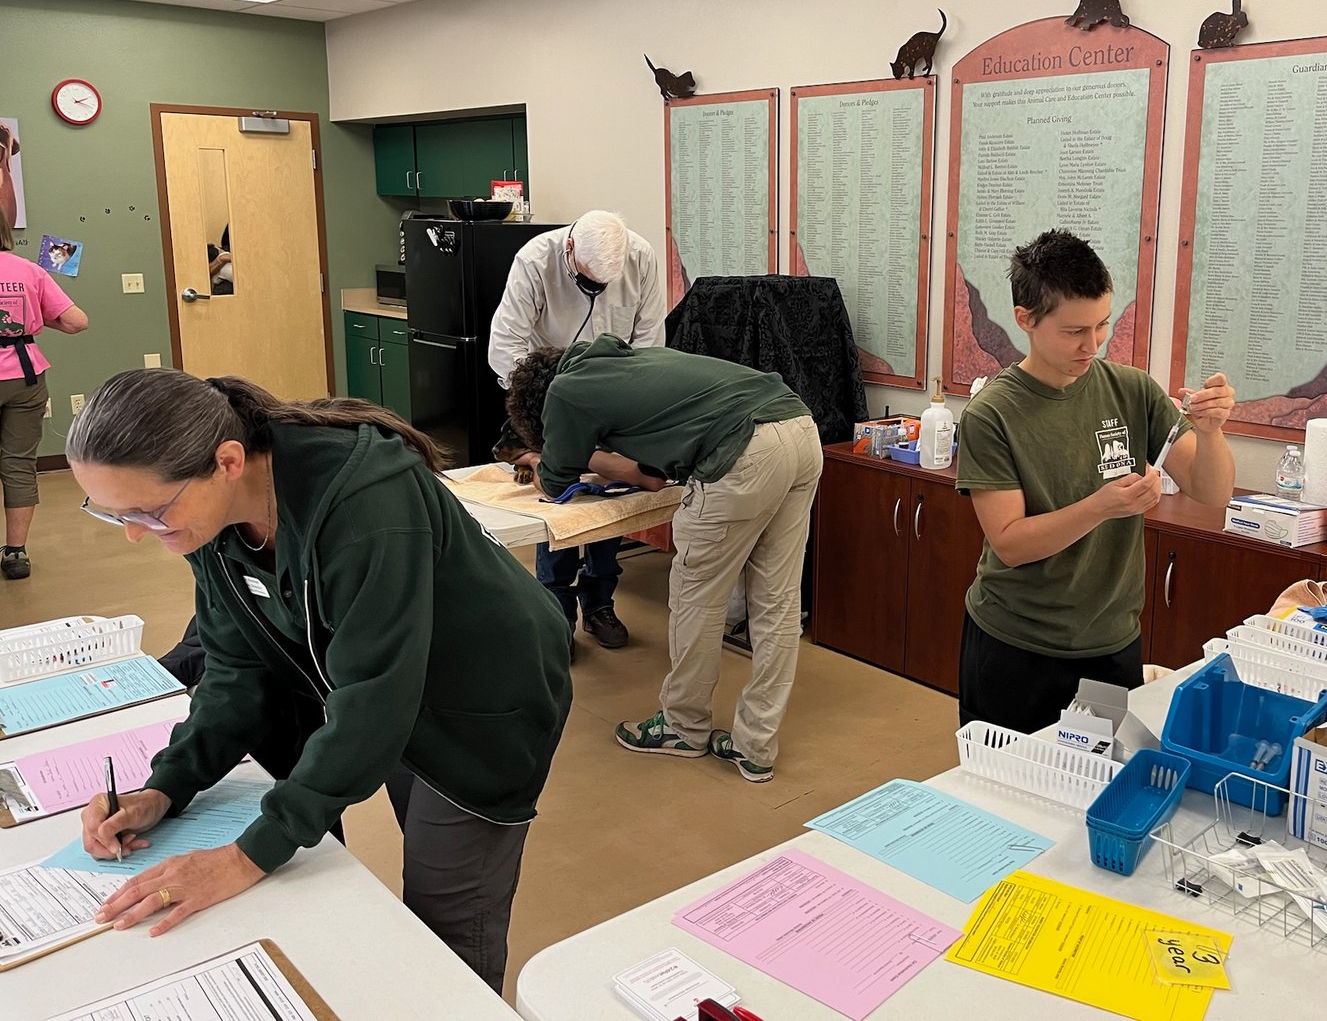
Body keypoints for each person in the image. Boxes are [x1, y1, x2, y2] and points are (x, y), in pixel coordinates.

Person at [67, 369, 571, 993]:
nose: (140, 533)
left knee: (445, 918)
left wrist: (247, 856)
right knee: (383, 814)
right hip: (382, 686)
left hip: (481, 700)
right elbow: (235, 668)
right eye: (118, 516)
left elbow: (375, 701)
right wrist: (167, 788)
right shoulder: (204, 516)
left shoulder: (364, 499)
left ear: (226, 462)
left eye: (148, 510)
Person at [506, 335, 822, 784]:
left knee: (698, 598)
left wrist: (542, 455)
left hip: (741, 452)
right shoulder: (631, 362)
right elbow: (653, 475)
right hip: (799, 428)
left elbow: (555, 483)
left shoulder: (565, 392)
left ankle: (683, 727)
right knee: (777, 601)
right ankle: (756, 747)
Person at [957, 229, 1236, 734]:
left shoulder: (1130, 390)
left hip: (1110, 641)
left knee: (1100, 787)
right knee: (1009, 794)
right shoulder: (993, 413)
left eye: (1102, 324)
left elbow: (1212, 492)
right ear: (1025, 319)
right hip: (1018, 645)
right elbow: (1011, 544)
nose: (1093, 344)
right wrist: (1102, 506)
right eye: (1073, 331)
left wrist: (1212, 432)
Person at [488, 210, 665, 652]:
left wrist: (631, 404)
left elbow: (649, 339)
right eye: (587, 281)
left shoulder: (641, 257)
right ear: (569, 250)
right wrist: (540, 404)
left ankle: (600, 604)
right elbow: (504, 344)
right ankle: (557, 615)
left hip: (614, 395)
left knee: (611, 503)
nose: (597, 291)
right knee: (562, 504)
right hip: (551, 394)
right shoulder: (535, 260)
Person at [0, 209, 89, 580]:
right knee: (18, 462)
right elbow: (76, 322)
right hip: (25, 375)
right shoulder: (29, 270)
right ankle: (16, 553)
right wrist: (36, 319)